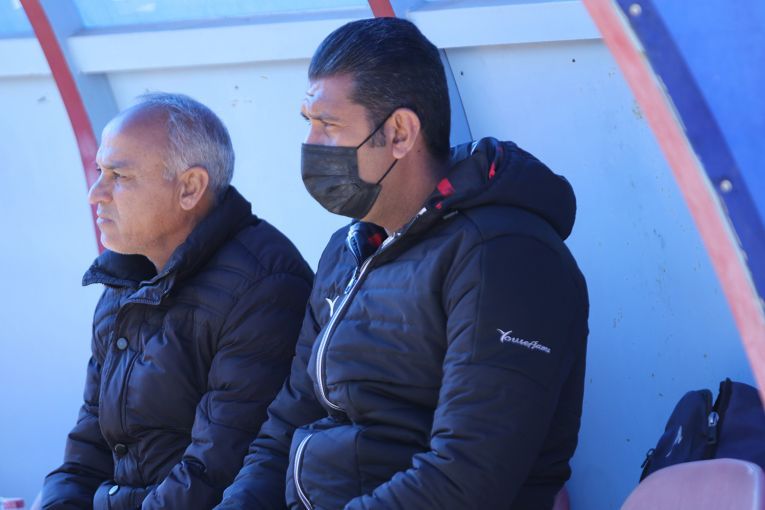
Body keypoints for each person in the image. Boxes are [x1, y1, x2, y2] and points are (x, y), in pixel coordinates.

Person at [218, 17, 589, 510]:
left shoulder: (505, 256)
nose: (310, 145)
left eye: (328, 125)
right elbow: (286, 425)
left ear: (399, 133)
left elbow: (467, 475)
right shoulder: (347, 250)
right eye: (307, 122)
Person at [41, 93, 313, 509]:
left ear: (190, 188)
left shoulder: (265, 287)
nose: (96, 194)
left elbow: (216, 470)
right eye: (99, 172)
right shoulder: (123, 278)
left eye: (119, 176)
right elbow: (87, 449)